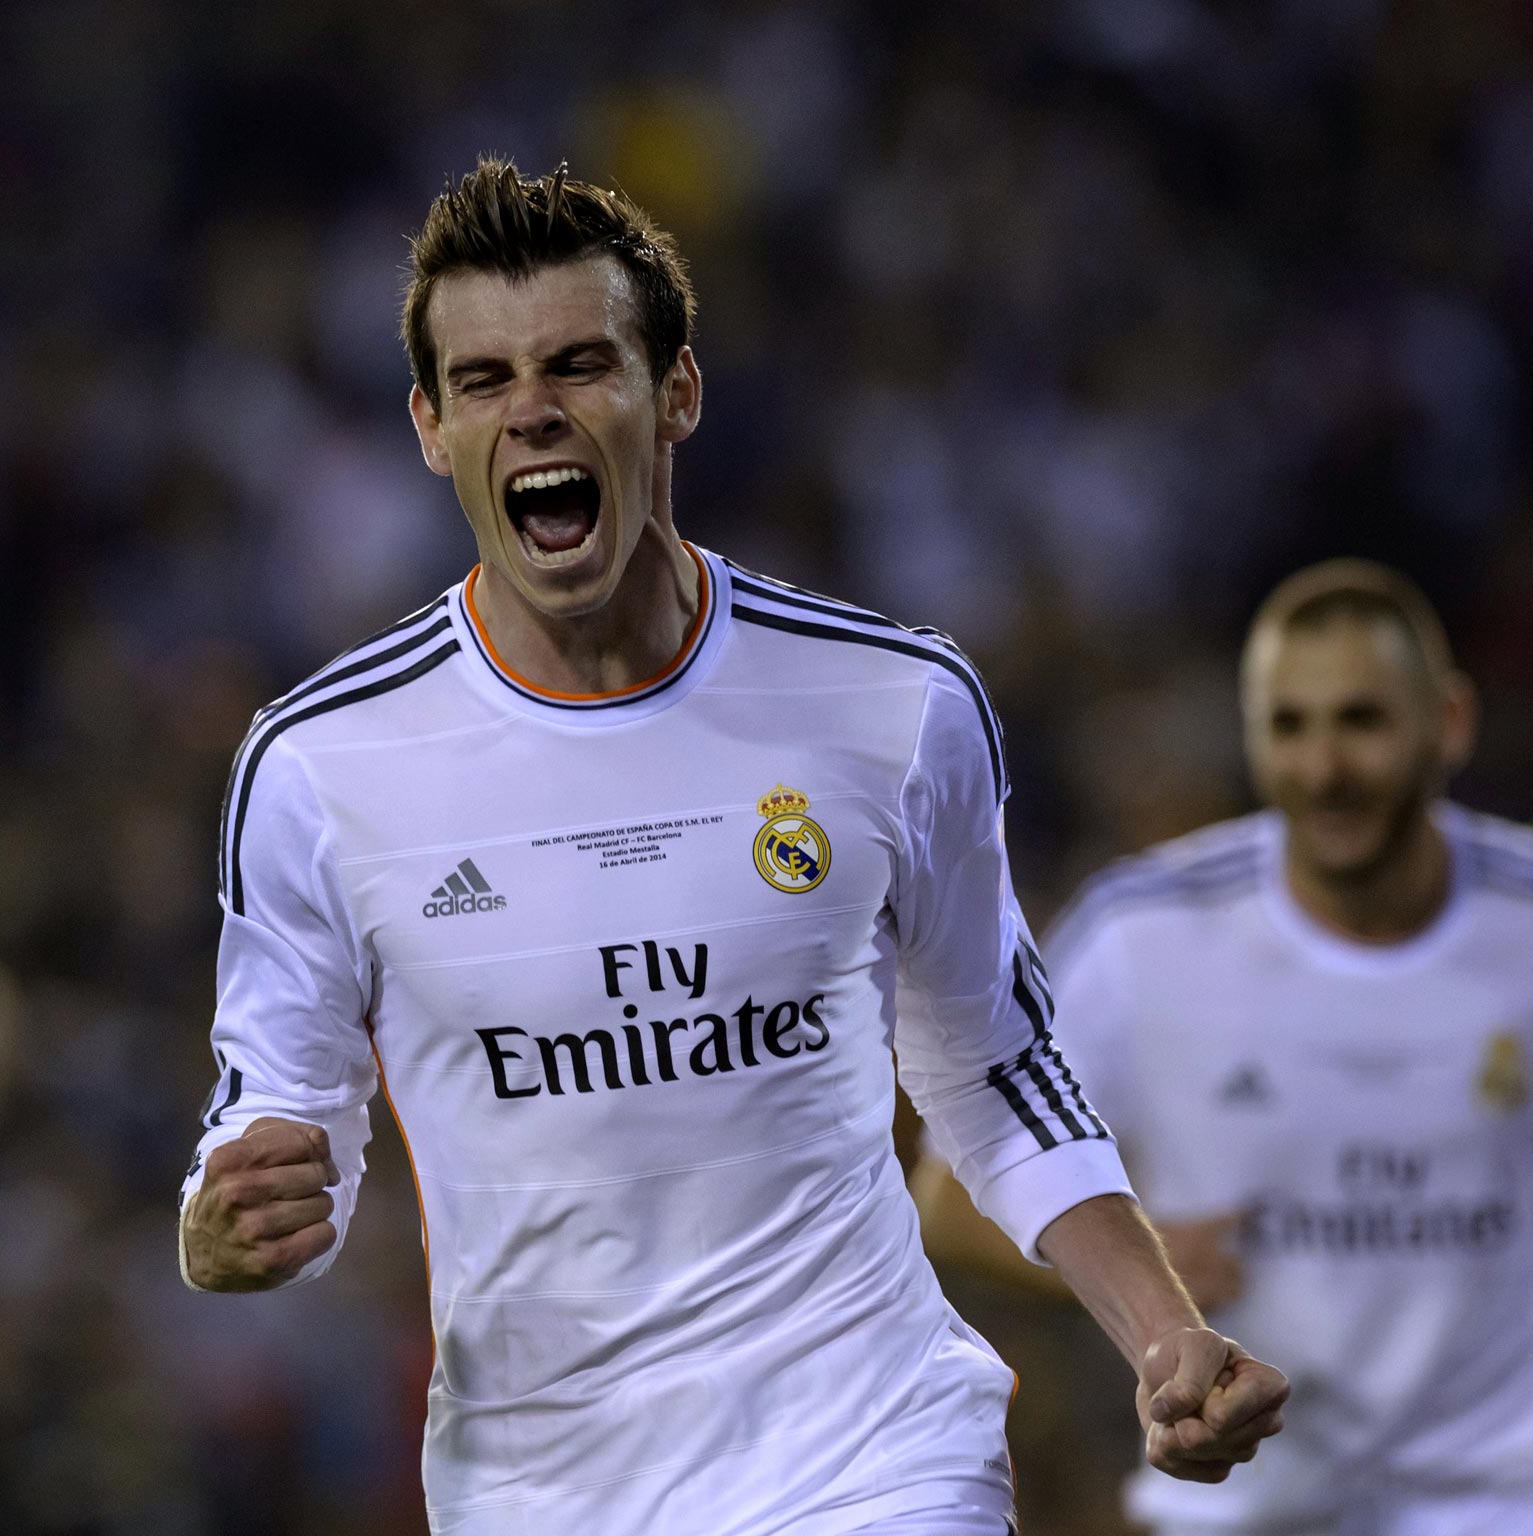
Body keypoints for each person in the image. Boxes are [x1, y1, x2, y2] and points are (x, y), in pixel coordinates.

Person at [173, 158, 1286, 1536]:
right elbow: (281, 1124)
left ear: (676, 393)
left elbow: (997, 1070)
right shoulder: (320, 766)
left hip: (871, 1456)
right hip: (543, 1492)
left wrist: (1163, 1336)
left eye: (581, 364)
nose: (533, 410)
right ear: (428, 425)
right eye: (484, 381)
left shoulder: (894, 706)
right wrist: (222, 1230)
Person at [913, 560, 1533, 1536]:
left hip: (1513, 1494)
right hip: (1242, 1499)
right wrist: (1139, 1266)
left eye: (1360, 720)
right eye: (1287, 725)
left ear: (1449, 722)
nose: (1322, 767)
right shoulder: (1139, 937)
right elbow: (950, 1195)